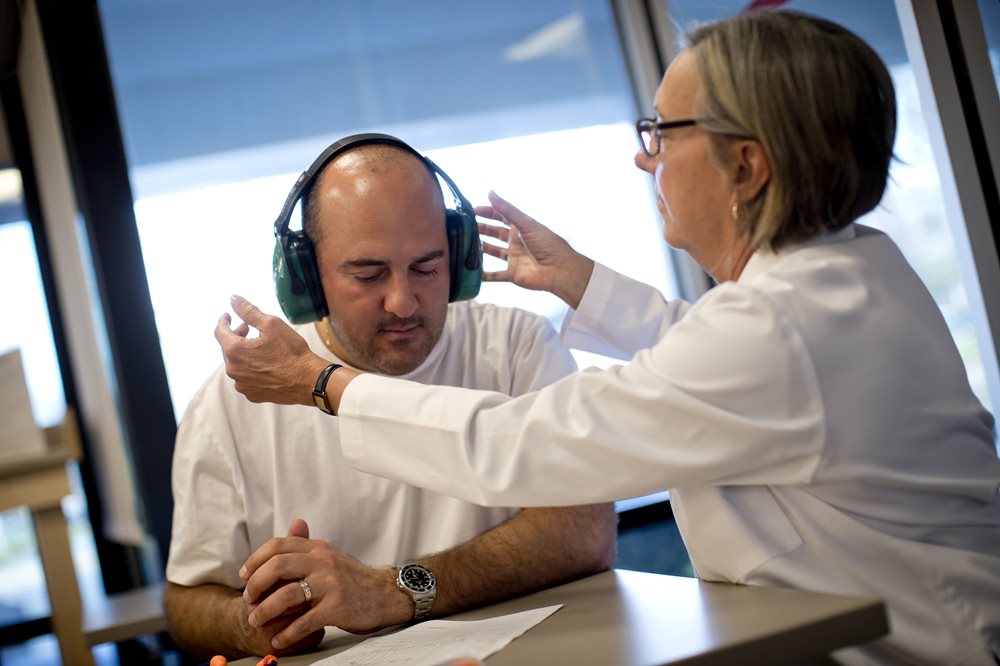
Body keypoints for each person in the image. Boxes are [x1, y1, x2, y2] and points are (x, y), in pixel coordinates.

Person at [216, 10, 1000, 666]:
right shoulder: (851, 271)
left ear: (748, 165)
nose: (642, 155)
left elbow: (520, 443)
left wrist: (320, 382)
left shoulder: (778, 325)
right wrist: (579, 280)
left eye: (661, 132)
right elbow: (707, 361)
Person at [167, 135, 617, 661]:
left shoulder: (516, 347)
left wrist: (394, 591)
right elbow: (186, 602)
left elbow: (583, 530)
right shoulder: (230, 402)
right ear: (307, 277)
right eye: (368, 274)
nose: (403, 302)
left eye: (427, 268)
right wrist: (256, 622)